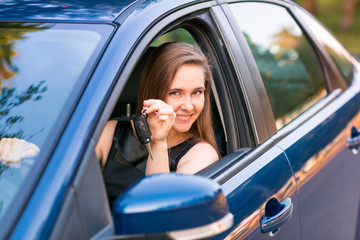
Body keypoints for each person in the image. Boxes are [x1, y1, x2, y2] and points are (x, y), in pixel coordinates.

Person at [95, 42, 219, 204]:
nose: (188, 106)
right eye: (175, 93)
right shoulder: (110, 132)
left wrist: (159, 142)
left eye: (197, 92)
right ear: (154, 92)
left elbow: (158, 209)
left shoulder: (202, 154)